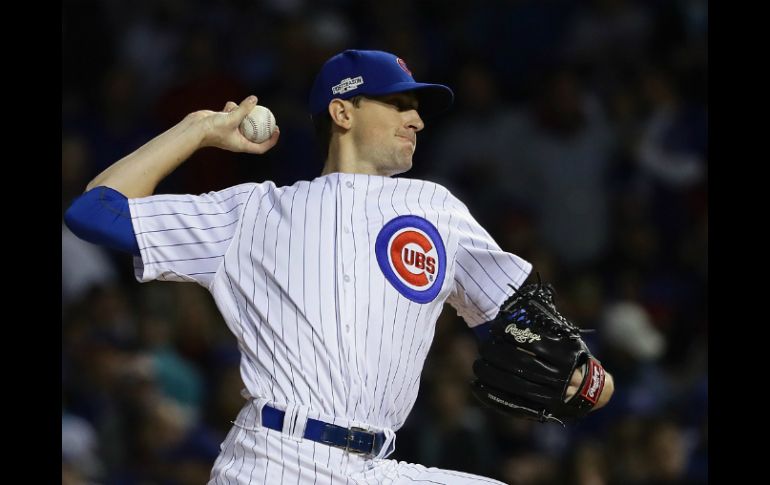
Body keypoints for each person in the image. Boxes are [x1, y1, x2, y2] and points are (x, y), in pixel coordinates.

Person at [65, 49, 614, 484]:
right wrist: (197, 130)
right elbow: (95, 210)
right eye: (399, 103)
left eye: (417, 108)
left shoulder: (435, 209)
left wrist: (584, 377)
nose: (417, 119)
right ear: (342, 110)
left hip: (375, 465)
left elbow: (521, 325)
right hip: (275, 461)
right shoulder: (253, 210)